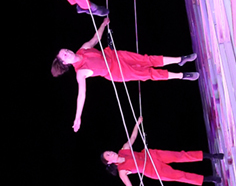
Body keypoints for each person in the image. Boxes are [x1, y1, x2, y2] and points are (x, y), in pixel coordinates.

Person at [51, 17, 200, 132]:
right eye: (64, 56)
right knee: (148, 73)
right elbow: (81, 95)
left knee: (146, 59)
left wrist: (103, 24)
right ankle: (182, 75)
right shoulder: (80, 72)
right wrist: (78, 117)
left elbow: (95, 39)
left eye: (65, 50)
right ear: (65, 64)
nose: (67, 52)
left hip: (115, 56)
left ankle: (180, 59)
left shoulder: (82, 49)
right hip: (116, 72)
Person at [101, 117, 224, 186]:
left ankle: (212, 156)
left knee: (180, 155)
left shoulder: (124, 149)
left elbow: (133, 137)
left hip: (152, 155)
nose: (111, 153)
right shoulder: (122, 171)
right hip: (152, 170)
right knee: (179, 175)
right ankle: (208, 179)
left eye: (109, 152)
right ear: (110, 162)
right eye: (108, 155)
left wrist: (137, 123)